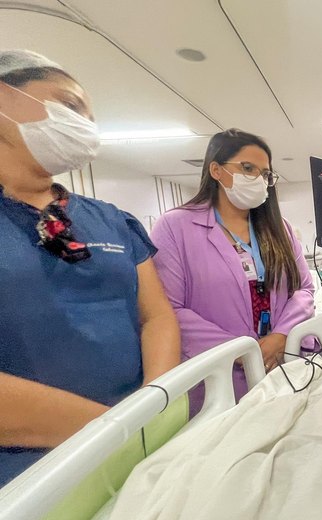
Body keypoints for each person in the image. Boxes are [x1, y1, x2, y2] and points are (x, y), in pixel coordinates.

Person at [0, 50, 180, 486]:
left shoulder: (112, 220)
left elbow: (156, 315)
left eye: (89, 115)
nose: (84, 124)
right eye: (69, 105)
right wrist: (113, 430)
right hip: (31, 469)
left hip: (146, 438)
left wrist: (153, 403)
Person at [151, 129, 315, 415]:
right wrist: (239, 350)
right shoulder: (175, 227)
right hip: (221, 371)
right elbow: (170, 308)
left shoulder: (279, 228)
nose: (258, 179)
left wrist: (280, 335)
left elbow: (304, 289)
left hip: (281, 359)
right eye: (248, 168)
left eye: (265, 173)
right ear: (216, 170)